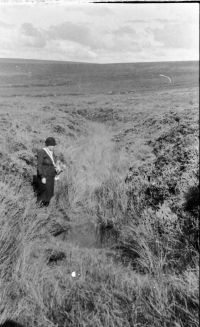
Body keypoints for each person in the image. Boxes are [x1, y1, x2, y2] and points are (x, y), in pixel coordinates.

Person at [36, 137, 58, 207]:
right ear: (48, 145)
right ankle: (39, 210)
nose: (53, 147)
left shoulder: (52, 153)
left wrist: (58, 171)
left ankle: (45, 210)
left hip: (51, 176)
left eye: (54, 145)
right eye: (52, 145)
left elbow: (53, 163)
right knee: (43, 193)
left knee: (49, 194)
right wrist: (42, 176)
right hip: (45, 176)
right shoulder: (41, 151)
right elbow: (39, 165)